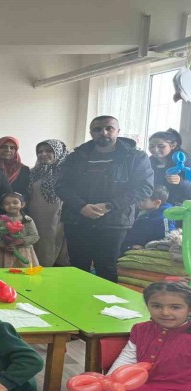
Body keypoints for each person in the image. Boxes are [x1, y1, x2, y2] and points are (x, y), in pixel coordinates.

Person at [68, 281, 191, 391]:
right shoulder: (141, 329)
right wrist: (110, 382)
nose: (165, 312)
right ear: (147, 306)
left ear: (189, 309)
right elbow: (127, 358)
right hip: (141, 384)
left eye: (175, 307)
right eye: (156, 306)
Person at [56, 116, 154, 282]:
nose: (104, 132)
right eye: (97, 129)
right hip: (77, 219)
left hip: (114, 220)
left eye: (109, 128)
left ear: (118, 131)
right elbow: (61, 186)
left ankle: (105, 300)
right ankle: (77, 298)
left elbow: (144, 187)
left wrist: (109, 206)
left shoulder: (135, 157)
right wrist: (81, 206)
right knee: (77, 267)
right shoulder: (76, 156)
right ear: (91, 133)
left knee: (106, 267)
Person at [27, 139, 70, 267]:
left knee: (56, 243)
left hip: (59, 216)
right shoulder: (34, 172)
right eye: (40, 151)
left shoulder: (68, 173)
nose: (43, 154)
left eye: (49, 151)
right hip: (36, 216)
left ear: (58, 152)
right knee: (38, 243)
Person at [121, 186, 174, 253]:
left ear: (157, 202)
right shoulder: (140, 209)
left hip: (142, 250)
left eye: (143, 200)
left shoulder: (164, 218)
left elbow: (167, 240)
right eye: (138, 199)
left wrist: (146, 247)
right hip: (127, 246)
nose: (138, 202)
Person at [0, 192, 40, 268]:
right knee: (7, 273)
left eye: (15, 203)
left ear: (22, 204)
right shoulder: (0, 220)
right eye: (7, 203)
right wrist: (3, 246)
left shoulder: (27, 219)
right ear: (2, 206)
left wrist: (21, 241)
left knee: (25, 272)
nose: (11, 205)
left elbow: (35, 236)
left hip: (24, 251)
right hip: (6, 252)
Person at [147, 128, 191, 205]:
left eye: (161, 146)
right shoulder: (147, 162)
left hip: (178, 206)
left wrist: (180, 182)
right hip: (152, 203)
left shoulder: (184, 162)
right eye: (151, 146)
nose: (155, 150)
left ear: (173, 146)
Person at [0, 136, 30, 201]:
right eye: (4, 147)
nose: (8, 150)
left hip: (14, 205)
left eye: (12, 148)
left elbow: (26, 192)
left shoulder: (23, 170)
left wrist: (18, 199)